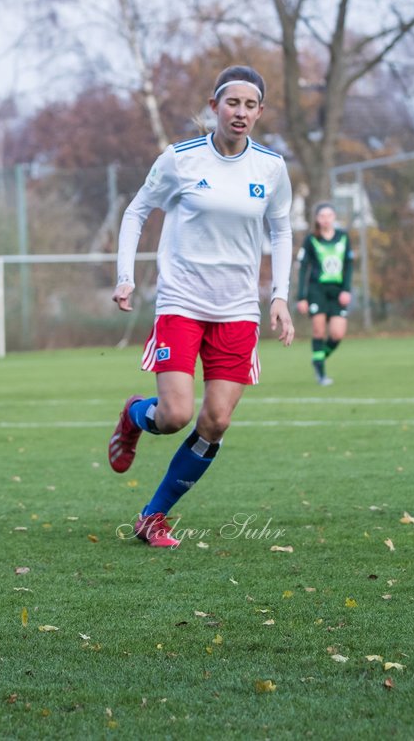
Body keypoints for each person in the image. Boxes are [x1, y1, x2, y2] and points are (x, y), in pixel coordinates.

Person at [108, 65, 294, 549]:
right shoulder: (180, 160)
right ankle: (134, 416)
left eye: (251, 105)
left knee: (215, 422)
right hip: (182, 301)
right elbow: (136, 211)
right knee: (173, 415)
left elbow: (282, 231)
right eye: (233, 103)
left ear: (259, 112)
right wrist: (126, 277)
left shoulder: (271, 168)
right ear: (214, 107)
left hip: (237, 310)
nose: (242, 112)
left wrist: (280, 296)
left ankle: (154, 516)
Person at [295, 203, 354, 385]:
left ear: (334, 217)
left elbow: (349, 265)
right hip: (317, 290)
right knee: (318, 330)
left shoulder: (343, 237)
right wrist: (301, 296)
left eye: (329, 215)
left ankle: (318, 358)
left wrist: (346, 289)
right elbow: (303, 268)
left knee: (337, 334)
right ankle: (321, 374)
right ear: (317, 219)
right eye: (322, 216)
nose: (326, 219)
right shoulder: (311, 239)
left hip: (337, 292)